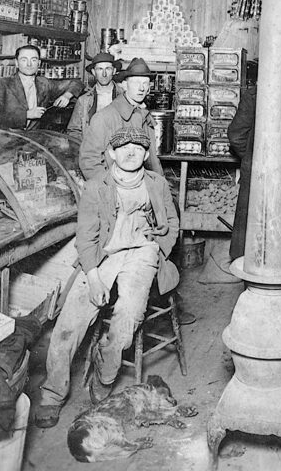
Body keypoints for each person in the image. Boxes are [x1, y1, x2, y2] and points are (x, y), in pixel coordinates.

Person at [34, 127, 179, 428]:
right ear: (111, 153)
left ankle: (107, 370)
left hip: (141, 253)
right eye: (123, 147)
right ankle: (52, 393)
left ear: (146, 154)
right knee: (69, 322)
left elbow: (173, 221)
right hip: (102, 255)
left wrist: (159, 245)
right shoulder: (96, 186)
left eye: (138, 148)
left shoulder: (156, 183)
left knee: (127, 320)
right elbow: (86, 239)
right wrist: (94, 277)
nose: (130, 152)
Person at [227, 48, 281, 261]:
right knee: (250, 236)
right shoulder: (253, 95)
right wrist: (257, 159)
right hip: (258, 173)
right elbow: (236, 135)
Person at [79, 57, 162, 180]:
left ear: (149, 88)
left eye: (145, 83)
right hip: (114, 188)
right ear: (124, 85)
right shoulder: (104, 117)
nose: (141, 88)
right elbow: (89, 161)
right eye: (136, 82)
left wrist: (159, 185)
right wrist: (107, 188)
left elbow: (152, 161)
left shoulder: (145, 116)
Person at [0, 44, 83, 130]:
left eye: (33, 60)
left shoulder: (44, 83)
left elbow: (77, 83)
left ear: (39, 63)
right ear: (16, 63)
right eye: (24, 60)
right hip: (7, 140)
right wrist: (26, 115)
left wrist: (67, 95)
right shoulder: (1, 84)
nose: (29, 64)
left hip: (34, 140)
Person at [67, 52, 124, 140]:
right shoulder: (83, 100)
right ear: (93, 72)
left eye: (108, 69)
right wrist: (86, 148)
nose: (104, 74)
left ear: (114, 71)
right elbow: (73, 131)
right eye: (100, 69)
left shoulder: (125, 97)